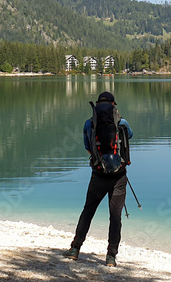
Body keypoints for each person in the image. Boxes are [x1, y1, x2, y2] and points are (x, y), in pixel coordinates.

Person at [63, 91, 133, 267]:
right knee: (115, 216)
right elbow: (129, 136)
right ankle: (111, 257)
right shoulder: (122, 122)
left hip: (98, 175)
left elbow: (88, 146)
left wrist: (99, 159)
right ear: (113, 105)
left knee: (88, 211)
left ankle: (75, 249)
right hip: (119, 176)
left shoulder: (89, 123)